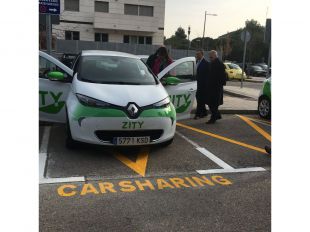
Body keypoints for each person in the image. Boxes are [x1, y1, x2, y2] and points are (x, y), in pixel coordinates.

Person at [205, 50, 227, 124]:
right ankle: (217, 115)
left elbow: (222, 77)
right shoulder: (213, 63)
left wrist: (217, 84)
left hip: (216, 88)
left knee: (213, 103)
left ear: (215, 55)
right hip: (212, 87)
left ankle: (213, 118)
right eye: (209, 57)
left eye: (211, 56)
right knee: (211, 103)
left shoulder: (219, 64)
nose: (210, 58)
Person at [194, 49, 209, 119]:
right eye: (196, 54)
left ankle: (198, 114)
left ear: (202, 55)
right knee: (200, 99)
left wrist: (205, 86)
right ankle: (204, 112)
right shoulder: (197, 62)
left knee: (200, 99)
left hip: (202, 85)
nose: (197, 55)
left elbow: (207, 76)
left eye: (198, 54)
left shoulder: (206, 63)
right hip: (196, 83)